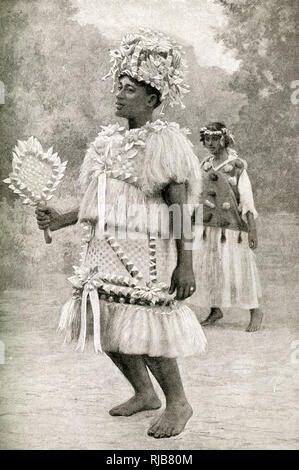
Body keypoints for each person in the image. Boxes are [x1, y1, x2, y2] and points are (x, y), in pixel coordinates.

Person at [35, 29, 207, 439]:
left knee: (145, 326)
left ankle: (178, 401)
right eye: (119, 86)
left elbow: (182, 209)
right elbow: (100, 200)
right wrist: (60, 218)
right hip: (102, 251)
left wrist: (186, 264)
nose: (119, 94)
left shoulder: (167, 142)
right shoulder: (106, 142)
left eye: (129, 89)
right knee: (104, 321)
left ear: (151, 99)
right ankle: (144, 392)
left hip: (145, 251)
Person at [192, 122, 263, 332]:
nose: (211, 143)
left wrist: (252, 229)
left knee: (238, 268)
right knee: (211, 267)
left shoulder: (237, 166)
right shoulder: (204, 165)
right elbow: (197, 194)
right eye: (207, 139)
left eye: (215, 139)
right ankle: (216, 310)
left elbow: (247, 200)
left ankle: (255, 310)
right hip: (207, 226)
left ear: (225, 139)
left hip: (231, 228)